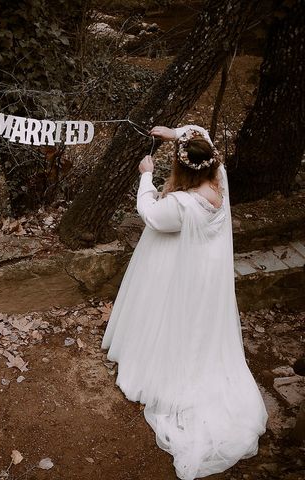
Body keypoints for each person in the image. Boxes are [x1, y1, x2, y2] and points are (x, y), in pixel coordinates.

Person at [101, 125, 267, 479]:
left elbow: (150, 215)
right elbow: (200, 133)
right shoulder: (218, 178)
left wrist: (146, 178)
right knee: (195, 321)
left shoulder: (181, 204)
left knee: (165, 313)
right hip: (204, 271)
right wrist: (174, 133)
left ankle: (160, 363)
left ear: (181, 170)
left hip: (177, 268)